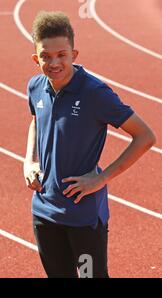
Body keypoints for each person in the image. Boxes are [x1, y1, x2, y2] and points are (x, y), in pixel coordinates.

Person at [24, 11, 156, 278]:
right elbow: (36, 120)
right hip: (44, 212)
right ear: (36, 59)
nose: (54, 62)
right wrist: (30, 160)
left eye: (62, 54)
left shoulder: (95, 93)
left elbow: (145, 136)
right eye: (46, 57)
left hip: (82, 216)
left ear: (75, 54)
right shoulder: (36, 86)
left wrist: (102, 178)